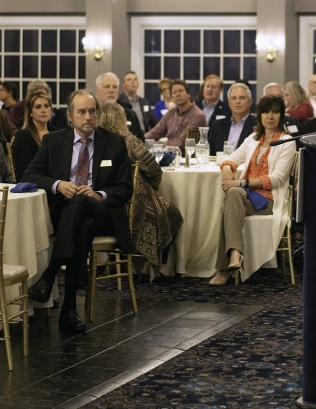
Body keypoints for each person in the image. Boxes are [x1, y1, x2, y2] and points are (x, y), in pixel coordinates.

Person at [24, 89, 133, 333]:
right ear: (70, 116)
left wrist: (98, 194)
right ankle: (69, 309)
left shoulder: (114, 143)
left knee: (84, 201)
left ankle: (49, 275)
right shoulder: (54, 141)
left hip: (103, 212)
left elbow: (125, 187)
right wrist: (58, 185)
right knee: (82, 225)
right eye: (81, 112)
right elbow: (30, 174)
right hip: (66, 214)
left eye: (92, 111)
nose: (88, 117)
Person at [209, 95, 296, 286]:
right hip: (245, 197)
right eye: (266, 111)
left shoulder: (287, 141)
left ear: (281, 116)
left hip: (269, 200)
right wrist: (226, 170)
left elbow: (278, 179)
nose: (270, 116)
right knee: (232, 196)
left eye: (275, 112)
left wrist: (241, 183)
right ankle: (234, 254)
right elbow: (231, 158)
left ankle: (225, 267)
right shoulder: (253, 139)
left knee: (231, 199)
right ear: (260, 115)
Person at [99, 103, 183, 283]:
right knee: (172, 212)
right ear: (121, 120)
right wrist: (151, 187)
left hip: (104, 203)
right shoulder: (129, 141)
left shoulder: (95, 144)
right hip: (134, 202)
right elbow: (154, 171)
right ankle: (149, 266)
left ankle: (128, 264)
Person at [145, 79, 207, 149]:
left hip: (189, 157)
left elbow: (183, 143)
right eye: (174, 92)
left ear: (188, 94)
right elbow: (155, 132)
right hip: (171, 154)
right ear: (172, 97)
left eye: (181, 91)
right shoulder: (171, 113)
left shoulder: (197, 115)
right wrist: (139, 140)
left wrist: (161, 146)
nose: (178, 94)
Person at [11, 92, 54, 181]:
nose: (43, 110)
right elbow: (24, 172)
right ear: (30, 112)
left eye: (46, 106)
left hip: (59, 185)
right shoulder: (22, 137)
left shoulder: (57, 134)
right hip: (33, 186)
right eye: (38, 107)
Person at [95, 72, 145, 141]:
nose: (111, 90)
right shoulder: (91, 114)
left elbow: (141, 141)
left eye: (115, 87)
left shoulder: (130, 115)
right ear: (97, 91)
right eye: (107, 86)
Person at [207, 82, 255, 155]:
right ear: (229, 102)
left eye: (242, 98)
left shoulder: (258, 125)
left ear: (250, 102)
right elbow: (210, 153)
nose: (237, 102)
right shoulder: (217, 125)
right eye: (233, 98)